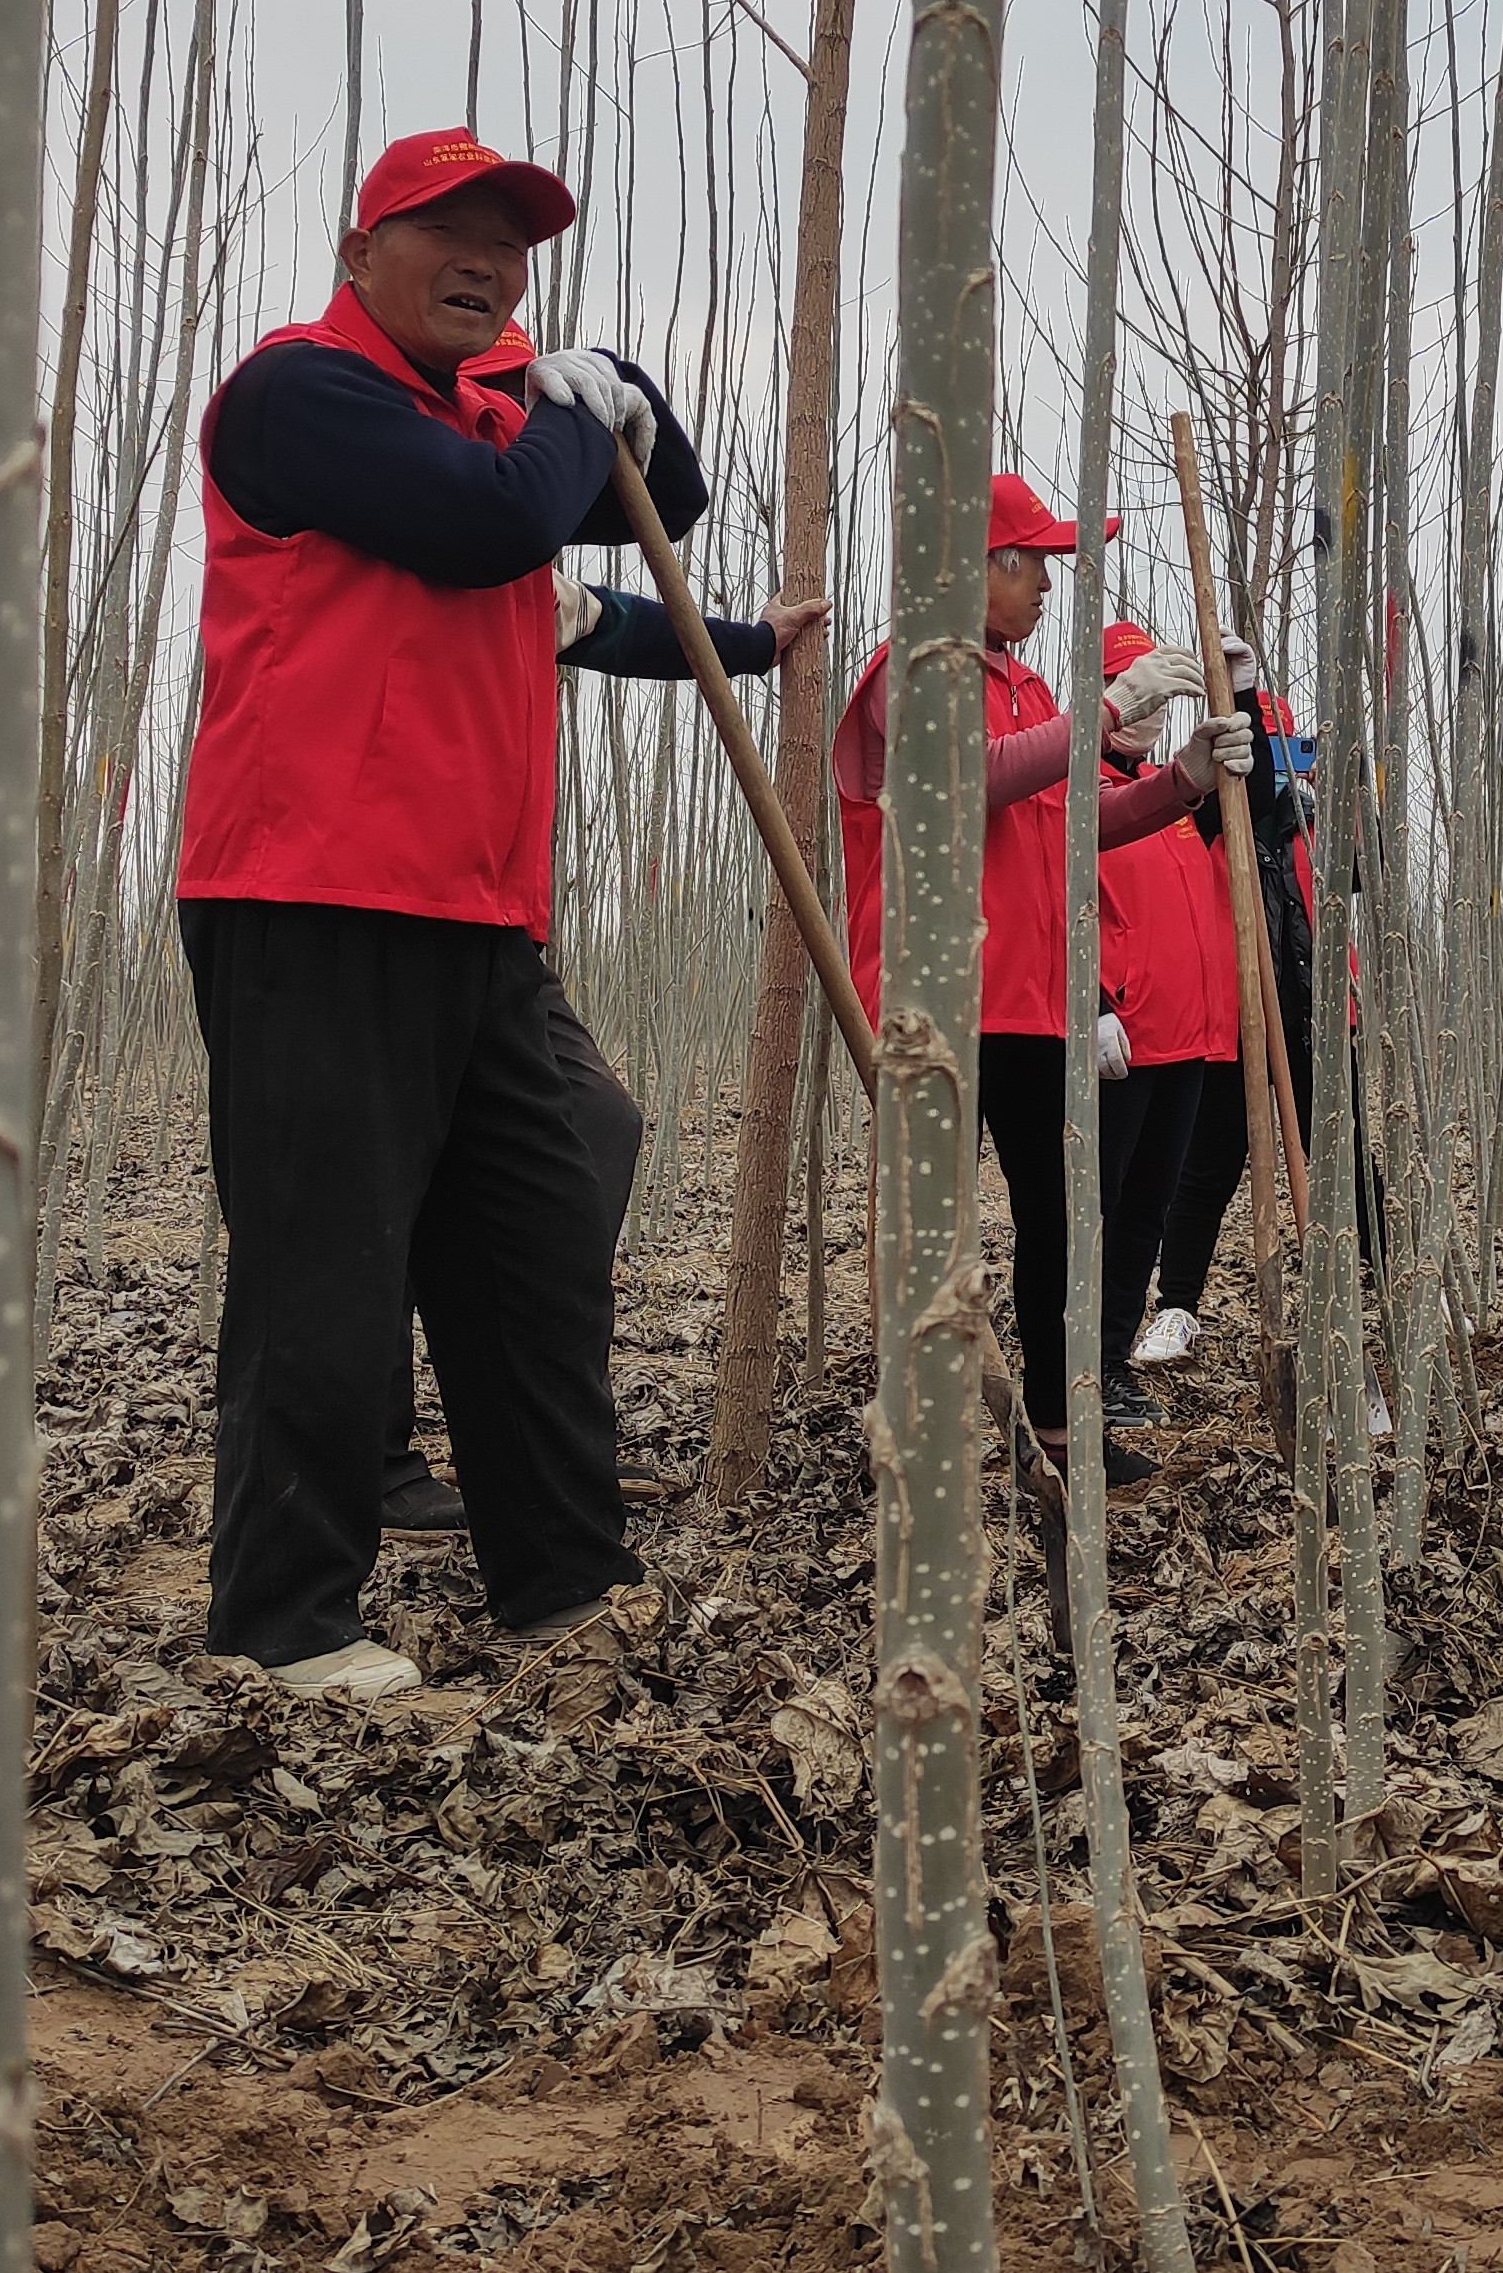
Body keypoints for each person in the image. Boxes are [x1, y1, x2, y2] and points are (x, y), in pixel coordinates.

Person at [178, 124, 789, 1701]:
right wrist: (559, 409)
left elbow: (674, 497)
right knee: (325, 1257)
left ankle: (563, 1577)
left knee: (529, 1240)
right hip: (312, 893)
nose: (485, 262)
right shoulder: (300, 396)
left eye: (510, 246)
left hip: (481, 917)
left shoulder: (483, 423)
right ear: (358, 250)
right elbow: (498, 521)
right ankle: (287, 1614)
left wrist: (614, 383)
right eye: (446, 229)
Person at [372, 401, 826, 1537]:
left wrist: (757, 641)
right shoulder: (386, 530)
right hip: (363, 910)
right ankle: (371, 1455)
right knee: (370, 1190)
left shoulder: (530, 588)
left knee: (592, 1129)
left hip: (496, 928)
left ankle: (529, 1412)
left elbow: (638, 624)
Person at [830, 477, 1249, 1475]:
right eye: (1036, 563)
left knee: (1061, 1220)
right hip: (935, 994)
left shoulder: (1028, 688)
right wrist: (1110, 707)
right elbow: (967, 779)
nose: (1050, 586)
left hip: (1029, 1000)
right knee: (930, 1227)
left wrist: (1181, 775)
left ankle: (1063, 1435)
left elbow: (1071, 827)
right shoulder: (913, 670)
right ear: (977, 563)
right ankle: (920, 1437)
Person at [1132, 650, 1314, 1361]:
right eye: (1260, 746)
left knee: (1346, 1165)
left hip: (1311, 1016)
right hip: (1230, 1017)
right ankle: (1177, 1306)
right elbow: (1254, 790)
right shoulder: (1219, 812)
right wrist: (1238, 696)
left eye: (1280, 747)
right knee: (1204, 1169)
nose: (1275, 765)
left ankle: (1390, 1292)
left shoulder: (1314, 820)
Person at [1093, 620, 1241, 1425]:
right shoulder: (1073, 787)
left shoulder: (1173, 795)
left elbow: (1257, 825)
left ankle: (1111, 1359)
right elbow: (1053, 903)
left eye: (1160, 689)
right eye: (1133, 685)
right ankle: (1076, 1361)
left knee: (1149, 1209)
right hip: (1119, 1041)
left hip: (1189, 1041)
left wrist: (1239, 692)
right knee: (1100, 1207)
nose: (1150, 709)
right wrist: (1089, 1003)